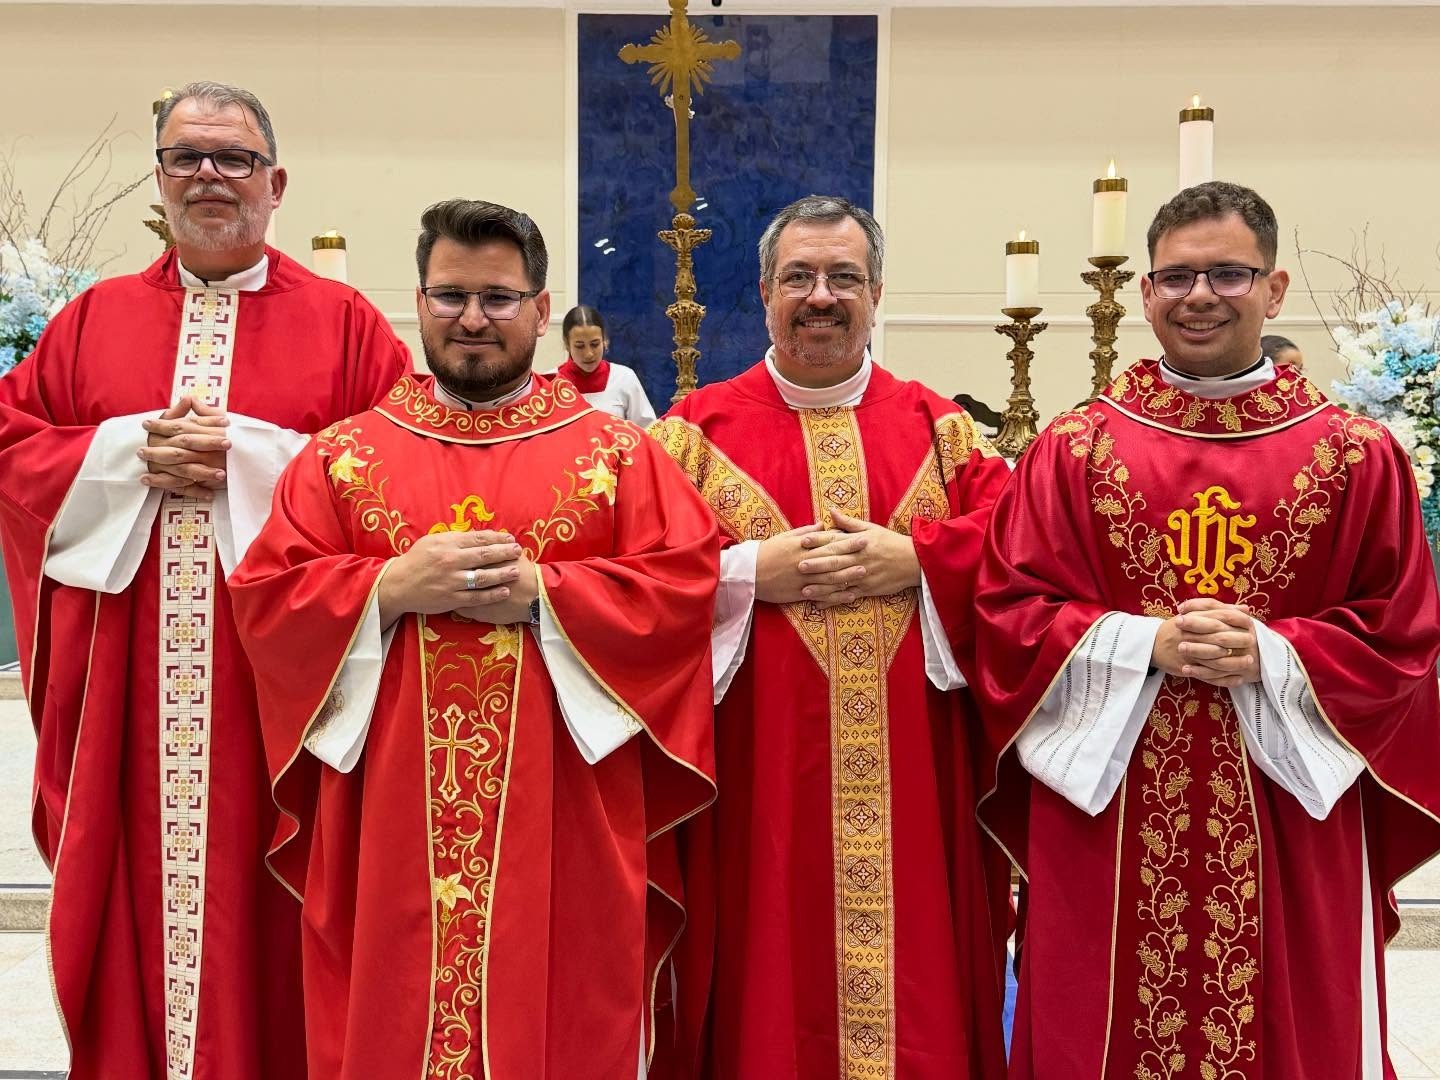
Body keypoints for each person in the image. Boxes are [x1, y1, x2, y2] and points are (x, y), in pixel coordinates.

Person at [229, 199, 719, 1079]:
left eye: (498, 297)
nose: (472, 319)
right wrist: (386, 587)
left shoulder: (617, 455)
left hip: (565, 811)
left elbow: (683, 587)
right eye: (450, 294)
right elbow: (267, 600)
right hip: (387, 819)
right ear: (417, 302)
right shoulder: (344, 456)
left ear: (541, 310)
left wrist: (547, 595)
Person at [974, 181, 1440, 1078]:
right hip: (1110, 804)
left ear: (1275, 288)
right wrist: (1143, 643)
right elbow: (1007, 614)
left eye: (1229, 273)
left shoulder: (1355, 454)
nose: (1200, 295)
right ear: (1144, 293)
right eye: (1178, 276)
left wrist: (1272, 651)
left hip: (1289, 806)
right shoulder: (1075, 449)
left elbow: (1404, 636)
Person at [0, 80, 410, 1079]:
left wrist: (259, 458)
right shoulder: (90, 321)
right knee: (138, 903)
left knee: (282, 912)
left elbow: (404, 469)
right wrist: (121, 453)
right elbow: (15, 450)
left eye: (232, 159)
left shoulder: (349, 324)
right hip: (134, 692)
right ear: (160, 181)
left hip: (285, 693)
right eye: (187, 157)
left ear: (276, 183)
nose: (209, 177)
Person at [650, 194, 1012, 1079]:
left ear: (877, 292)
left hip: (920, 797)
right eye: (799, 277)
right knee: (764, 980)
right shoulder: (691, 437)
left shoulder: (946, 432)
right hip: (754, 794)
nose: (822, 296)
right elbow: (635, 583)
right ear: (764, 292)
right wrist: (744, 575)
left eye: (844, 277)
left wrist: (922, 558)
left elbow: (1021, 558)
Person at [555, 304, 658, 424]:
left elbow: (647, 431)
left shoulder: (624, 378)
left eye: (594, 344)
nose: (588, 354)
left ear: (604, 340)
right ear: (567, 344)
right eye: (580, 346)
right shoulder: (550, 383)